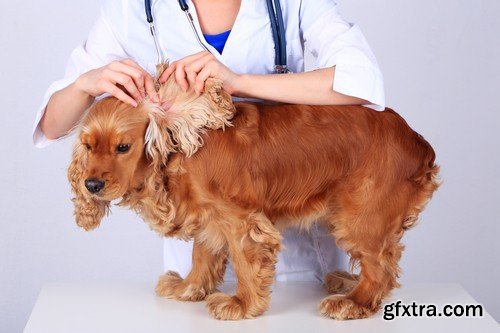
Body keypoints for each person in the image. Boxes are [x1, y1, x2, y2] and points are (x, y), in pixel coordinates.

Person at [33, 0, 385, 282]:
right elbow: (51, 125)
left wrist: (239, 82)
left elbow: (360, 80)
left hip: (299, 260)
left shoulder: (294, 3)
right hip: (197, 256)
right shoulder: (133, 9)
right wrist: (83, 84)